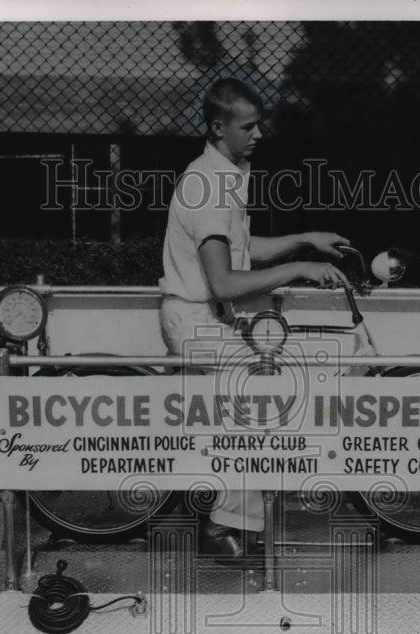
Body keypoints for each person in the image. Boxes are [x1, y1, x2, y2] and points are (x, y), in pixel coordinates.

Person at [160, 77, 350, 564]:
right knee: (260, 398)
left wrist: (305, 238)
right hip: (195, 319)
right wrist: (301, 268)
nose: (259, 133)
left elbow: (245, 250)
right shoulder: (207, 185)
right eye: (248, 126)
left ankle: (235, 520)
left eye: (259, 123)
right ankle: (225, 529)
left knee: (269, 389)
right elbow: (223, 282)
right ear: (218, 127)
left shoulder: (220, 175)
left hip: (209, 318)